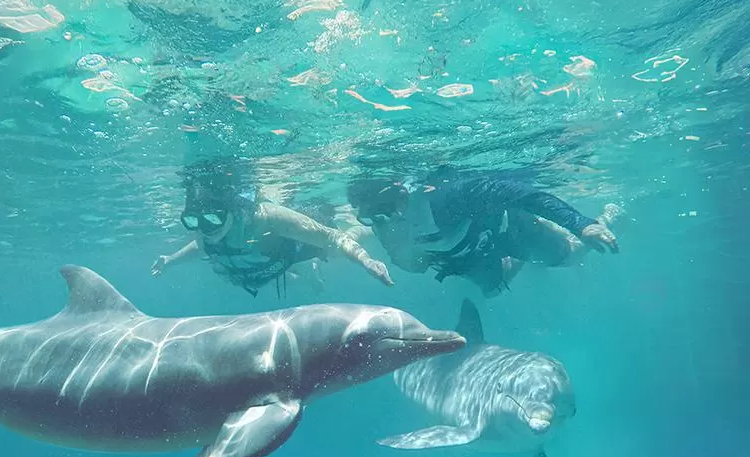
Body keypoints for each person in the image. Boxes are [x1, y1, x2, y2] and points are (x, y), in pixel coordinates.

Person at [345, 167, 621, 297]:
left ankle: (607, 217)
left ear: (404, 191)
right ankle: (522, 259)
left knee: (571, 256)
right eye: (373, 217)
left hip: (507, 230)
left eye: (391, 207)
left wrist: (580, 223)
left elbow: (517, 193)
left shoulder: (446, 199)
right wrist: (349, 246)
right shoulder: (383, 223)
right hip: (466, 255)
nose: (388, 221)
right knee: (491, 292)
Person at [152, 158, 394, 297]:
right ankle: (306, 273)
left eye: (212, 220)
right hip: (262, 263)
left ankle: (366, 229)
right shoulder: (208, 230)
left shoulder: (266, 217)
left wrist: (366, 261)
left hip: (293, 247)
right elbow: (201, 246)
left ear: (231, 212)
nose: (204, 229)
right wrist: (170, 259)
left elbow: (332, 238)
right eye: (192, 221)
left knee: (332, 245)